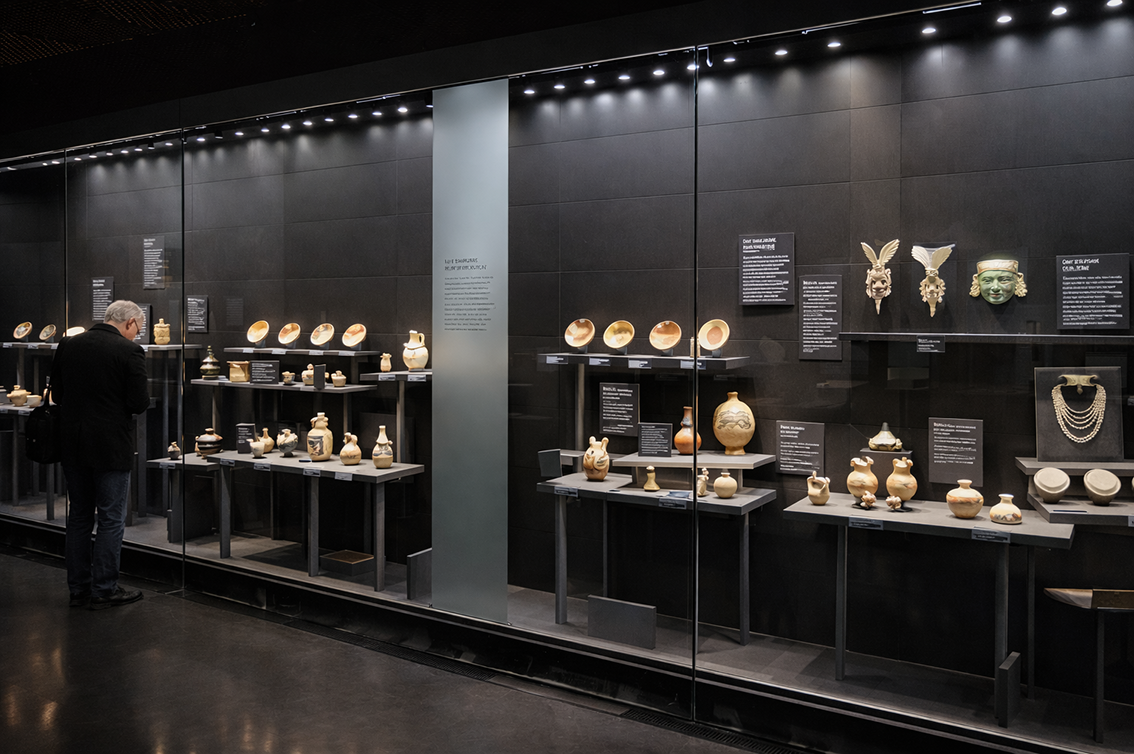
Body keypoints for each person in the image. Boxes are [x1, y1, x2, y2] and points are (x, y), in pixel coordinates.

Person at [50, 300, 150, 609]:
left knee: (79, 516)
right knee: (110, 518)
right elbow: (139, 403)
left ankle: (79, 589)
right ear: (130, 323)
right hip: (110, 445)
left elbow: (58, 394)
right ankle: (104, 589)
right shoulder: (129, 351)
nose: (136, 335)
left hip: (73, 442)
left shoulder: (68, 344)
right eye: (138, 329)